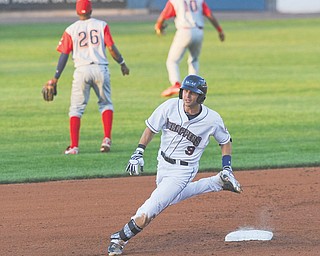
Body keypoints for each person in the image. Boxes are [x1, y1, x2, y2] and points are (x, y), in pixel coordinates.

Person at [107, 75, 242, 256]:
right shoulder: (170, 106)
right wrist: (139, 151)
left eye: (193, 93)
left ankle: (120, 239)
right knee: (173, 198)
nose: (187, 96)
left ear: (201, 97)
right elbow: (151, 128)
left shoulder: (212, 119)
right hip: (162, 163)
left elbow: (225, 141)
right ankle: (217, 182)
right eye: (185, 91)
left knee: (152, 208)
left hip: (183, 170)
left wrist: (227, 167)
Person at [49, 0, 129, 155]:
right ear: (91, 10)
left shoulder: (71, 29)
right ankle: (106, 139)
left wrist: (56, 77)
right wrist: (122, 63)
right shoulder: (101, 25)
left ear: (77, 11)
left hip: (81, 70)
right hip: (101, 68)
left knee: (76, 109)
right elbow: (111, 47)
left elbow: (64, 55)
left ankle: (74, 147)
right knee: (105, 104)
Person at [154, 0, 225, 97]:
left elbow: (163, 17)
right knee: (194, 60)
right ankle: (194, 87)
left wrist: (158, 26)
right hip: (199, 31)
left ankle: (176, 84)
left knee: (172, 61)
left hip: (184, 31)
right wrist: (220, 30)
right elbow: (209, 15)